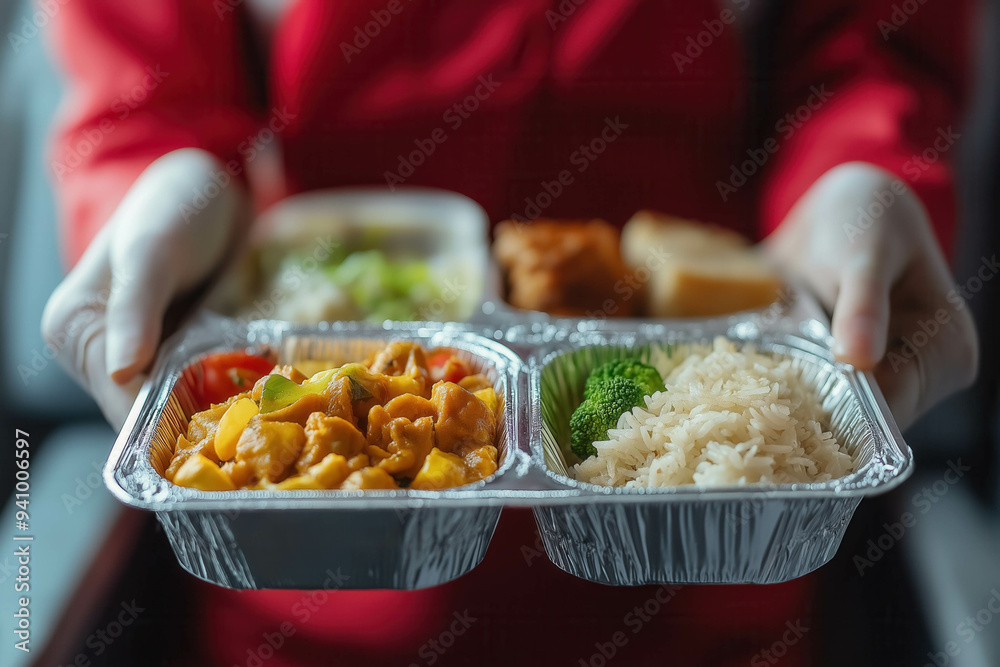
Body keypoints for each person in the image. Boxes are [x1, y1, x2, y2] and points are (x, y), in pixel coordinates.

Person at [41, 1, 978, 665]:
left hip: (711, 552)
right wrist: (161, 194)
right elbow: (146, 94)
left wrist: (856, 175)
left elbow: (875, 56)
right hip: (312, 595)